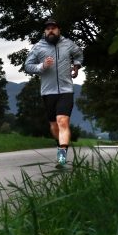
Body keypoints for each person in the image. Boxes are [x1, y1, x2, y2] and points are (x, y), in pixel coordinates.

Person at [24, 18, 83, 166]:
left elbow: (78, 54)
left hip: (66, 90)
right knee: (54, 125)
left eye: (53, 28)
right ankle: (59, 143)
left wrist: (76, 67)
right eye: (48, 28)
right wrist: (42, 66)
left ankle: (62, 156)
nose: (51, 30)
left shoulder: (68, 44)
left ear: (58, 30)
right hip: (48, 92)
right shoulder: (38, 47)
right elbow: (27, 66)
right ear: (45, 31)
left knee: (62, 120)